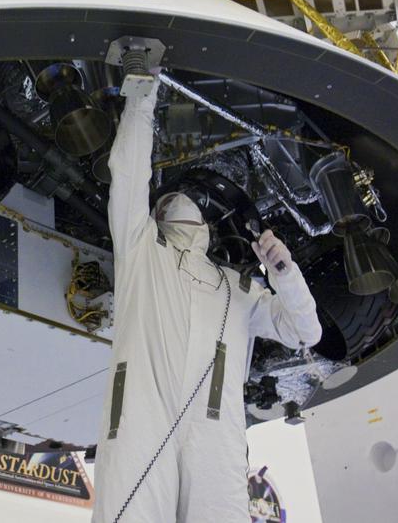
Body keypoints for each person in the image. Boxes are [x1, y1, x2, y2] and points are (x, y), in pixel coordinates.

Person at [90, 78, 322, 523]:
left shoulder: (236, 289)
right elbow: (130, 174)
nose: (180, 205)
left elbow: (305, 331)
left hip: (213, 432)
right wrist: (142, 95)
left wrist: (284, 273)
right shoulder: (142, 251)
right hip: (142, 417)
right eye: (172, 200)